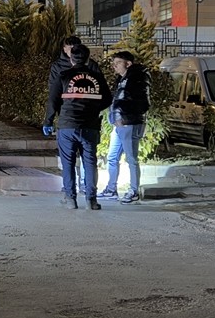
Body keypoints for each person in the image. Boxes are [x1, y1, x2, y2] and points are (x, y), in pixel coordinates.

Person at [44, 43, 112, 210]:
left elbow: (53, 101)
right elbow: (108, 99)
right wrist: (92, 108)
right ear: (88, 59)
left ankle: (70, 199)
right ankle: (91, 200)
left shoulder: (63, 75)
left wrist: (48, 121)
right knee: (90, 162)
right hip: (90, 125)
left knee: (68, 163)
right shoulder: (96, 77)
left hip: (67, 125)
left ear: (71, 59)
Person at [101, 50, 150, 204]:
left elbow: (143, 104)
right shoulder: (122, 80)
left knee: (131, 158)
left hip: (129, 123)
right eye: (113, 63)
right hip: (119, 124)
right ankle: (111, 188)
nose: (114, 66)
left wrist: (126, 116)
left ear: (128, 64)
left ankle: (134, 190)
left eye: (117, 63)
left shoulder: (137, 79)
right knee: (112, 157)